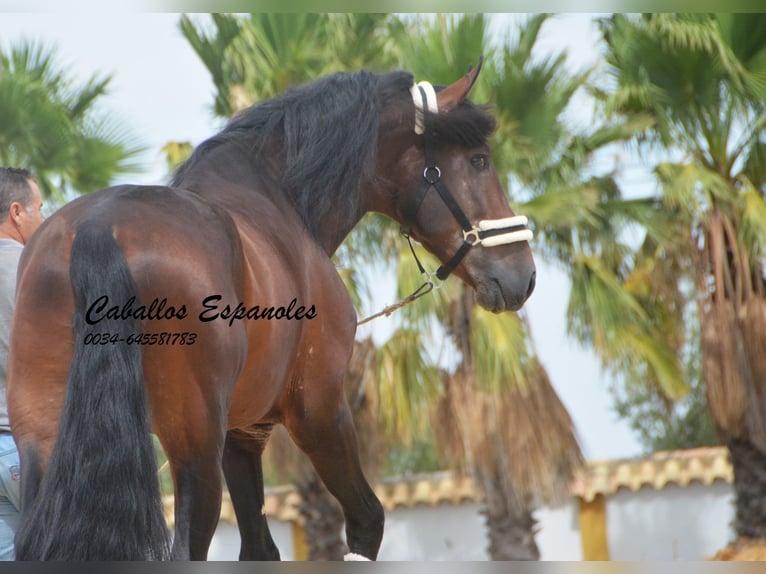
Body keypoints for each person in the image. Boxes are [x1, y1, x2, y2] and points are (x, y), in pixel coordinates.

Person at [0, 168, 45, 560]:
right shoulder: (32, 269)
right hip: (24, 448)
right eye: (40, 209)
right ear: (17, 212)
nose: (43, 221)